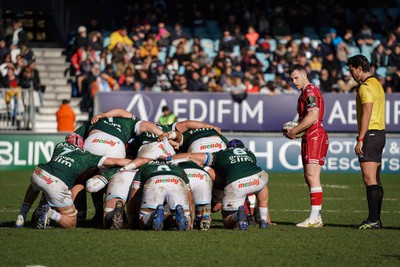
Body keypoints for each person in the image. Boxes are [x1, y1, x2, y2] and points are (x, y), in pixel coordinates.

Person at [15, 133, 133, 229]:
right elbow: (114, 161)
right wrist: (136, 162)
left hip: (38, 172)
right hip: (56, 183)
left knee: (36, 185)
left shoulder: (60, 146)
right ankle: (50, 213)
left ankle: (22, 216)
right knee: (71, 222)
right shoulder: (88, 156)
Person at [166, 139, 270, 230]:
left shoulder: (220, 154)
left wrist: (169, 158)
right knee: (261, 186)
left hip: (237, 183)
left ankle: (237, 215)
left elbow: (190, 156)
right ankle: (264, 221)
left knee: (227, 221)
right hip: (261, 177)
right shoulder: (250, 153)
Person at [284, 64, 329, 228]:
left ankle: (315, 218)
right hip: (310, 136)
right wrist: (293, 129)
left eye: (296, 78)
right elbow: (305, 117)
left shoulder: (310, 91)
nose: (294, 82)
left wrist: (295, 129)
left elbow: (313, 116)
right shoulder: (304, 93)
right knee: (309, 177)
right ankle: (316, 216)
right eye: (292, 79)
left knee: (312, 176)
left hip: (315, 136)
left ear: (304, 75)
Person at [346, 55, 386, 229]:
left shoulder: (365, 88)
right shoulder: (377, 84)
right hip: (380, 134)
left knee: (369, 178)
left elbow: (367, 114)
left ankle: (373, 219)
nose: (351, 73)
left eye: (351, 70)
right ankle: (376, 218)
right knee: (375, 178)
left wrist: (360, 139)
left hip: (370, 135)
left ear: (359, 69)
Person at [127, 160, 194, 231]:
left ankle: (155, 214)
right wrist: (191, 222)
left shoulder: (145, 166)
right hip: (176, 181)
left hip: (154, 180)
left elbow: (133, 195)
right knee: (186, 217)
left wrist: (130, 217)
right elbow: (190, 199)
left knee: (142, 221)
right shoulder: (178, 167)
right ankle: (177, 216)